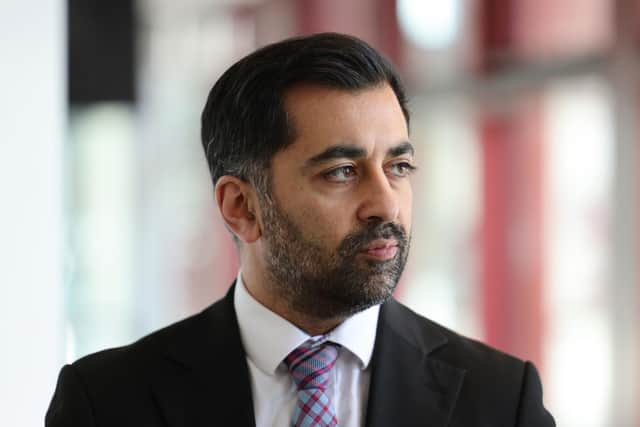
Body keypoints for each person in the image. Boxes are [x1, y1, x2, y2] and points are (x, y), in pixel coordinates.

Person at [46, 33, 555, 427]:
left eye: (398, 167)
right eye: (341, 172)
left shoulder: (500, 400)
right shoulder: (109, 402)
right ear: (241, 206)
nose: (384, 204)